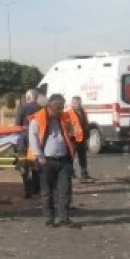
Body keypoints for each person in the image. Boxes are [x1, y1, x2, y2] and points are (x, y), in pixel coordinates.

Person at [27, 93, 81, 228]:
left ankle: (64, 217)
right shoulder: (37, 119)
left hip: (63, 160)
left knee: (65, 190)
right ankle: (49, 218)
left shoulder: (64, 117)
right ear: (51, 106)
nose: (61, 110)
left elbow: (72, 134)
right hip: (46, 161)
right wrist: (40, 156)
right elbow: (33, 139)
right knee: (47, 191)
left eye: (62, 107)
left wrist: (72, 150)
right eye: (59, 108)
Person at [15, 89, 44, 198]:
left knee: (24, 166)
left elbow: (17, 125)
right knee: (36, 165)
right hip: (36, 141)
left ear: (28, 98)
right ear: (36, 97)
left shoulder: (22, 108)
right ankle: (36, 188)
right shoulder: (42, 109)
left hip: (23, 141)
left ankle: (27, 191)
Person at [69, 96, 94, 181]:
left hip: (82, 138)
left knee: (82, 156)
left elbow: (85, 123)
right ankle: (71, 173)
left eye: (79, 102)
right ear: (72, 103)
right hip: (73, 139)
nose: (77, 104)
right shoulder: (69, 112)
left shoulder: (82, 112)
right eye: (75, 103)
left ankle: (84, 173)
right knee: (71, 156)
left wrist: (87, 133)